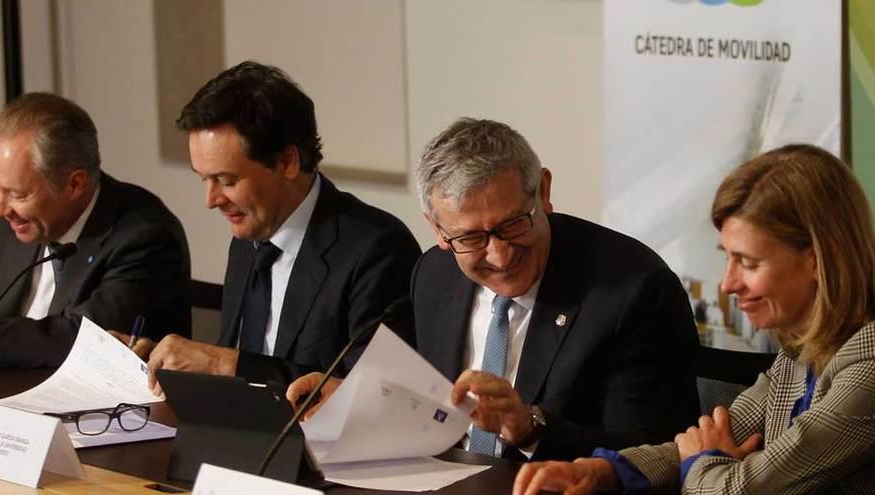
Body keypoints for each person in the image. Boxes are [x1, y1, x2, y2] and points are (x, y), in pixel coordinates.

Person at [289, 118, 700, 461]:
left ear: (544, 191)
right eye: (471, 238)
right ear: (438, 231)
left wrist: (530, 429)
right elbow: (435, 408)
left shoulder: (633, 289)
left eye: (513, 225)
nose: (500, 256)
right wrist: (358, 403)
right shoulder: (433, 274)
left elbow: (657, 454)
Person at [513, 144, 875, 494]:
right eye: (729, 258)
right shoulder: (801, 349)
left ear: (816, 260)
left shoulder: (868, 364)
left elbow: (737, 488)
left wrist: (704, 459)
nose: (728, 283)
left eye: (748, 263)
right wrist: (601, 471)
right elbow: (712, 437)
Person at [133, 61, 420, 391]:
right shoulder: (248, 237)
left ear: (287, 162)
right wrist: (162, 365)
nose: (211, 200)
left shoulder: (377, 250)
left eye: (226, 180)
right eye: (204, 179)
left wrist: (221, 363)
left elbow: (371, 395)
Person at [0, 92, 191, 368]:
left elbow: (81, 342)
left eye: (19, 194)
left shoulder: (145, 237)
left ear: (74, 184)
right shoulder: (9, 221)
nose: (1, 209)